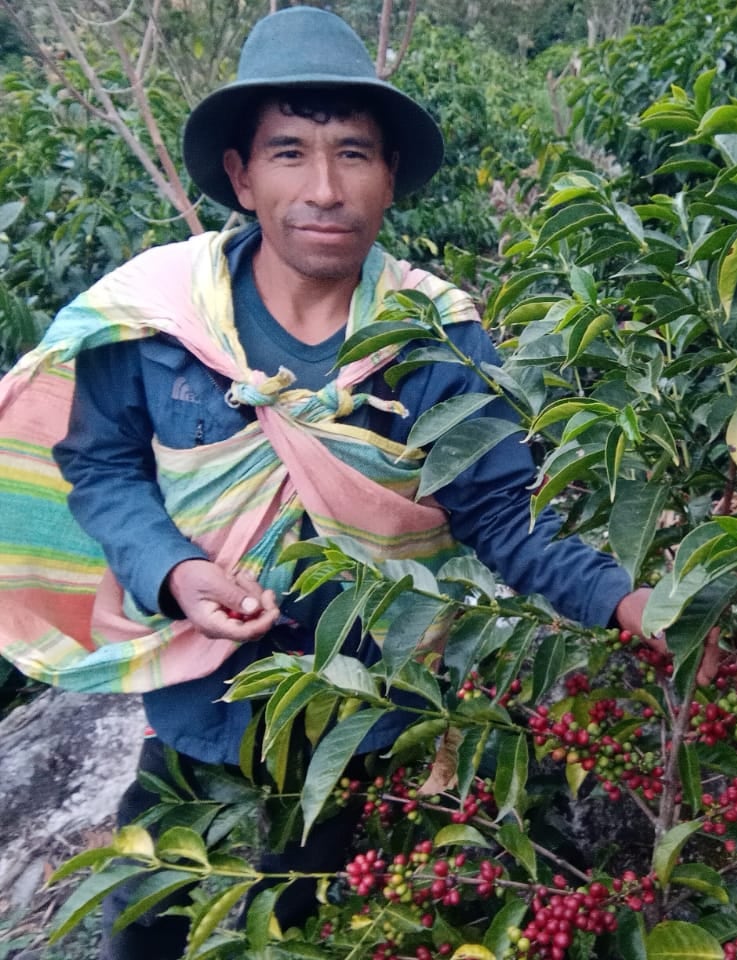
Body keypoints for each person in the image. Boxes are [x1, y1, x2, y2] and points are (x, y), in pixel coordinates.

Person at [0, 7, 669, 956]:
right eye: (288, 153)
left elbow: (498, 519)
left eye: (353, 154)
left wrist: (626, 602)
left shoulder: (434, 335)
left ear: (389, 177)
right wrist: (174, 572)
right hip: (202, 707)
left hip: (367, 718)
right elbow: (100, 466)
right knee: (145, 922)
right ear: (240, 174)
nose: (324, 188)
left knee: (322, 917)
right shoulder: (158, 317)